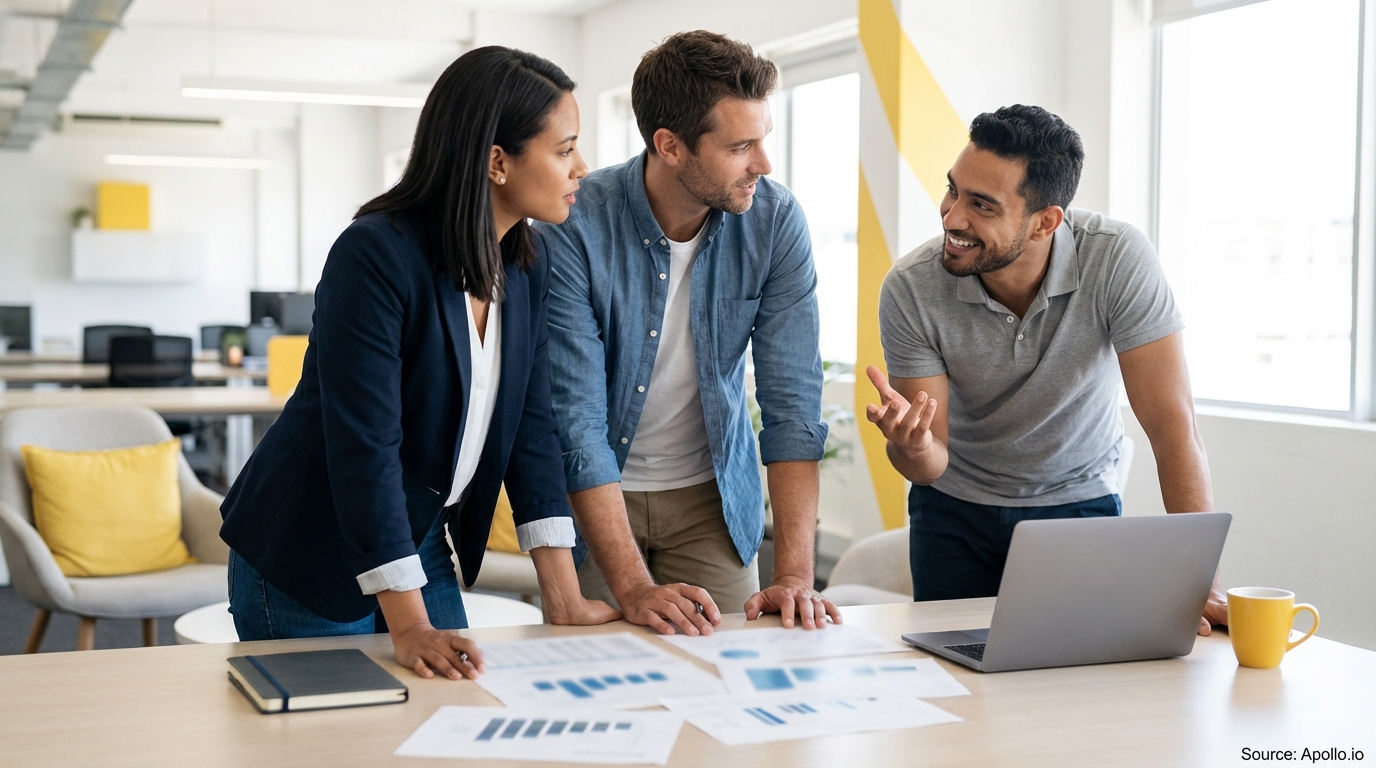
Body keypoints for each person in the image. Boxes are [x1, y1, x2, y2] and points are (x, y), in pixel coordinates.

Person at [219, 47, 620, 680]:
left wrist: (563, 596)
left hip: (418, 533)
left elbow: (531, 432)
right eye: (565, 149)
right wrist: (408, 625)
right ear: (497, 161)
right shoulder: (375, 254)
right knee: (334, 739)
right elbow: (364, 444)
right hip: (312, 544)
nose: (582, 168)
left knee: (445, 709)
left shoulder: (527, 265)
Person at [867, 104, 1227, 635]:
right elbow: (930, 463)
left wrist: (1202, 579)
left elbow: (1173, 426)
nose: (951, 217)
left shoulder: (1116, 260)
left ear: (1045, 222)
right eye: (953, 190)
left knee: (1073, 679)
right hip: (954, 511)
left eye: (982, 205)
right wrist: (912, 445)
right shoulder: (911, 288)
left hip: (1076, 505)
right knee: (954, 678)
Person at [535, 31, 841, 637]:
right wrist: (634, 588)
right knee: (607, 694)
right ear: (669, 146)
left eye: (764, 140)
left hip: (712, 498)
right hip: (596, 499)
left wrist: (796, 576)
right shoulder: (573, 225)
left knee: (729, 684)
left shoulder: (775, 222)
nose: (764, 164)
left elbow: (792, 405)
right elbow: (577, 422)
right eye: (740, 146)